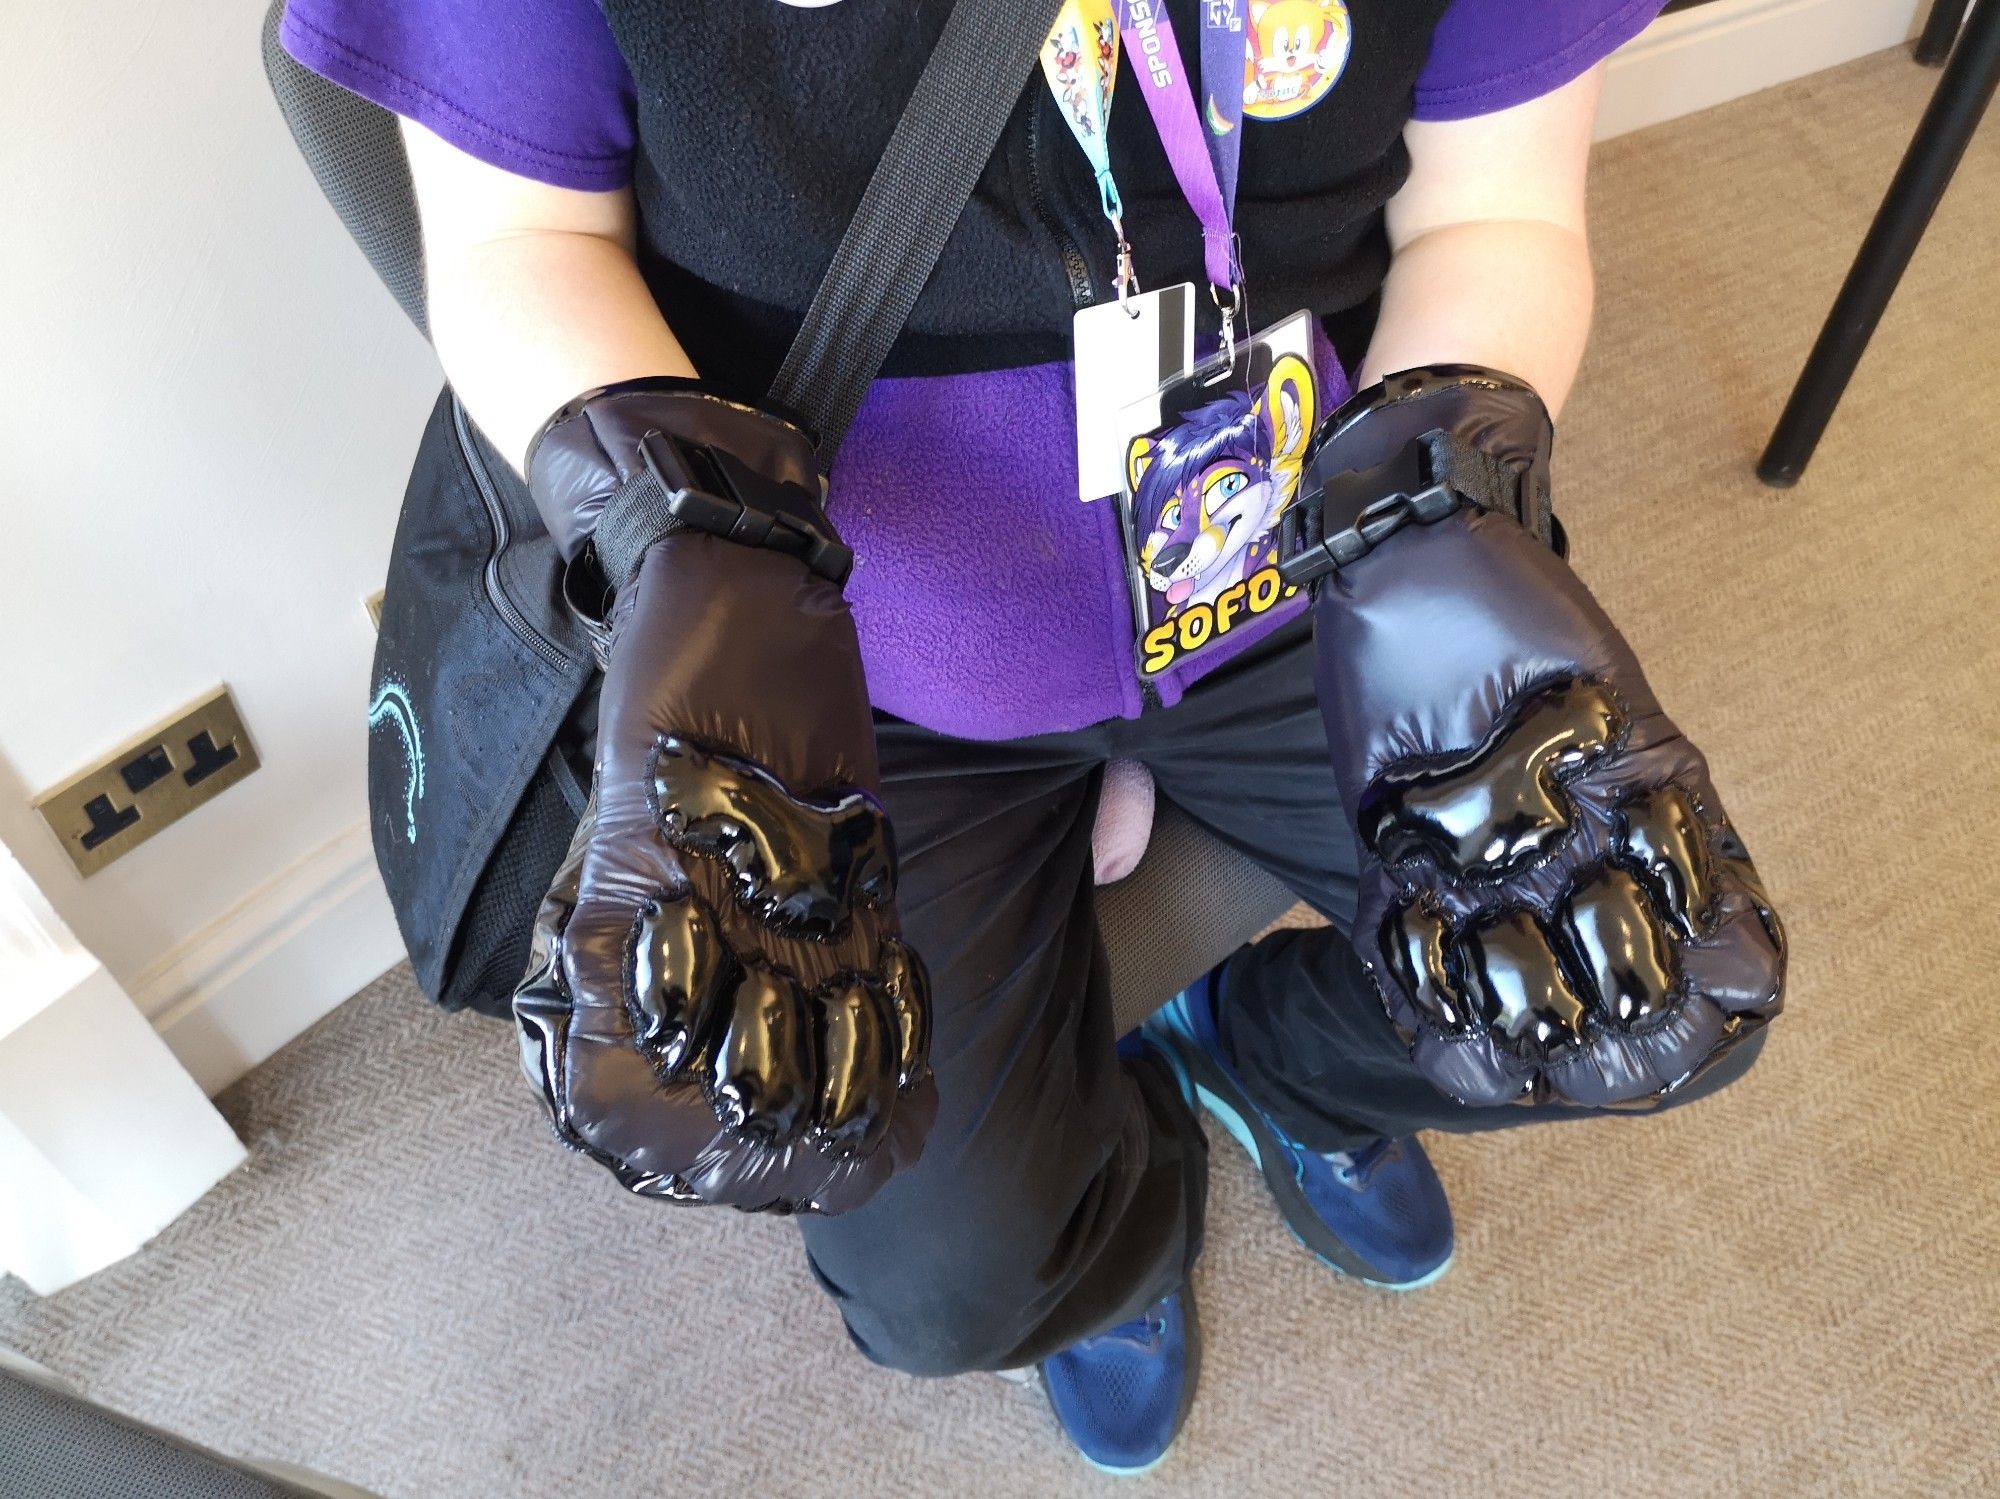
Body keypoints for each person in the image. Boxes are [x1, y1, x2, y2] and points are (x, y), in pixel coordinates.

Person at [283, 0, 1783, 1473]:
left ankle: (1275, 1061)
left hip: (1312, 580)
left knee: (1642, 992)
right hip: (851, 649)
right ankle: (1121, 1241)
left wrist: (1446, 504)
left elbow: (1494, 216)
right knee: (953, 1295)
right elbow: (517, 248)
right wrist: (687, 552)